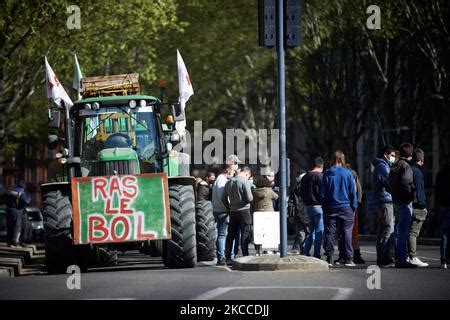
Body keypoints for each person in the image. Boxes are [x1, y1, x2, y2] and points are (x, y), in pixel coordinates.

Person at [320, 151, 357, 267]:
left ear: (332, 159)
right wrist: (354, 207)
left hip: (330, 207)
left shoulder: (327, 173)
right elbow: (352, 192)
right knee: (347, 232)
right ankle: (348, 258)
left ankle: (329, 256)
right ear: (343, 160)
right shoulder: (348, 173)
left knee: (329, 232)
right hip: (346, 207)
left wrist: (324, 206)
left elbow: (323, 194)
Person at [389, 142, 417, 268]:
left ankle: (398, 257)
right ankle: (402, 259)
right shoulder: (406, 166)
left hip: (395, 201)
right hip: (405, 202)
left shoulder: (394, 166)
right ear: (410, 155)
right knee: (403, 232)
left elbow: (390, 183)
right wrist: (411, 196)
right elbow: (406, 183)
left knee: (397, 232)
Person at [222, 166, 253, 262]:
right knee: (245, 233)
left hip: (233, 211)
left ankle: (228, 257)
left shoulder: (228, 182)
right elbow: (249, 198)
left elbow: (223, 198)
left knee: (231, 235)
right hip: (244, 211)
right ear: (247, 173)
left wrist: (229, 208)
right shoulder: (244, 181)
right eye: (248, 176)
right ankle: (245, 256)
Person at [372, 145, 397, 267]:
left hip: (381, 200)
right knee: (389, 228)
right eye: (392, 155)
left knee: (382, 229)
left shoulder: (381, 165)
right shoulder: (382, 166)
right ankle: (386, 257)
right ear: (385, 155)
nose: (393, 158)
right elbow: (389, 181)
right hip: (386, 200)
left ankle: (381, 257)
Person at [211, 161, 237, 266]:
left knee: (222, 234)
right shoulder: (222, 180)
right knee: (223, 234)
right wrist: (229, 208)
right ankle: (223, 257)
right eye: (233, 169)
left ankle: (222, 256)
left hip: (218, 209)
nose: (234, 170)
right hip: (223, 210)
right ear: (227, 169)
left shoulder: (219, 179)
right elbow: (223, 197)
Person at [408, 148, 429, 267]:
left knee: (408, 232)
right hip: (417, 205)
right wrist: (423, 206)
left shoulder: (409, 169)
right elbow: (419, 191)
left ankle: (408, 255)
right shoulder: (417, 172)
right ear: (421, 159)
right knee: (413, 233)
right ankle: (413, 256)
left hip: (408, 204)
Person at [299, 157, 324, 259]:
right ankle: (317, 254)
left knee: (311, 231)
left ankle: (305, 252)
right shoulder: (320, 176)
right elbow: (323, 192)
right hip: (319, 206)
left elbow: (301, 192)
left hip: (308, 206)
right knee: (319, 232)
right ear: (321, 165)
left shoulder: (305, 177)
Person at [251, 174, 279, 255]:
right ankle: (268, 249)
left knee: (258, 232)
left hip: (257, 213)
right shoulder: (269, 191)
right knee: (269, 231)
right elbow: (276, 197)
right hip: (269, 213)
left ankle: (257, 250)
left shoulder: (253, 191)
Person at [434, 155, 450, 269]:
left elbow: (437, 193)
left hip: (443, 206)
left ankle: (443, 260)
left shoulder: (440, 174)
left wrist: (436, 207)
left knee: (444, 234)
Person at [288, 171, 309, 254]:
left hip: (298, 213)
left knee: (301, 234)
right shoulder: (309, 188)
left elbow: (291, 203)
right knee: (309, 233)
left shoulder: (295, 189)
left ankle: (303, 250)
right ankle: (305, 250)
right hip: (307, 213)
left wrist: (291, 215)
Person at [6, 180, 30, 248]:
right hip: (17, 210)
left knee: (10, 226)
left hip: (9, 209)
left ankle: (9, 242)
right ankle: (15, 243)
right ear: (24, 186)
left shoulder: (11, 191)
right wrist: (29, 198)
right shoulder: (22, 193)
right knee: (17, 226)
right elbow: (26, 202)